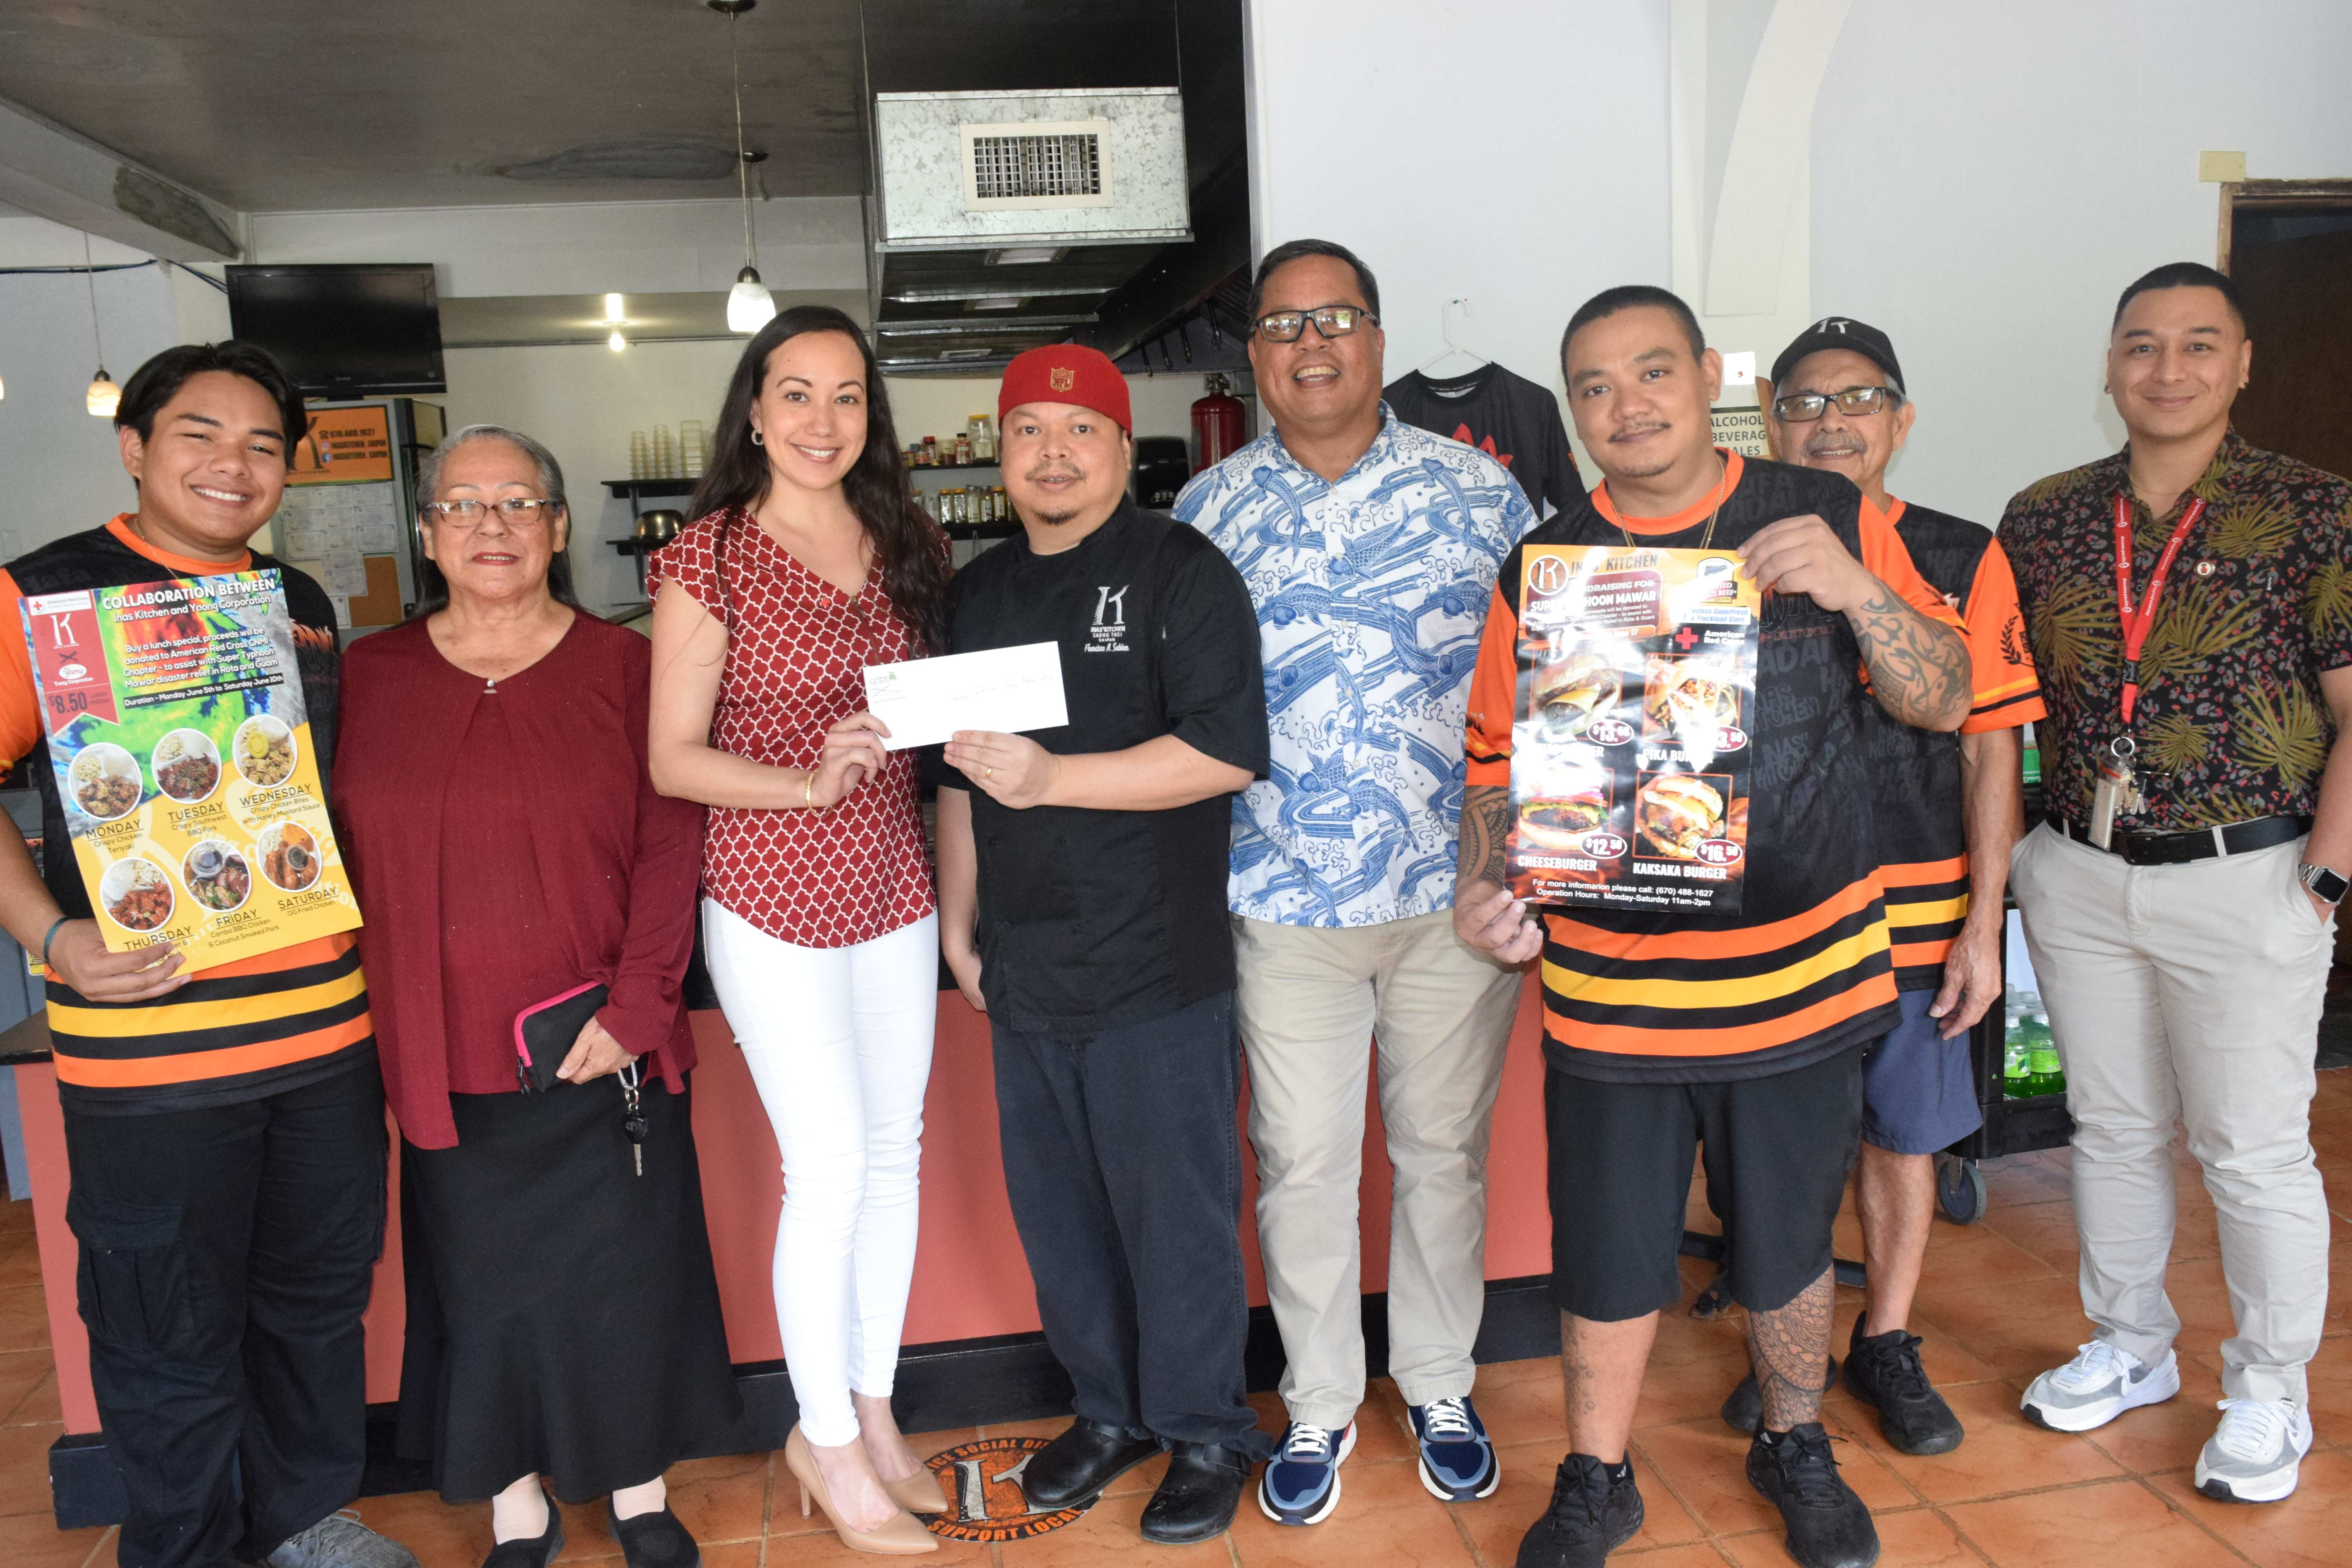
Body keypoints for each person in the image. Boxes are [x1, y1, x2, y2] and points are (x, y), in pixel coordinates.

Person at [1459, 286, 1973, 1568]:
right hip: (1610, 989)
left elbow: (1950, 700)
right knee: (1610, 1246)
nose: (1625, 407)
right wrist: (1490, 883)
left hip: (1802, 981)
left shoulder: (1830, 517)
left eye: (1651, 373)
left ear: (1706, 378)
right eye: (1592, 386)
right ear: (1571, 410)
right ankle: (1597, 1476)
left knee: (1791, 1245)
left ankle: (1794, 1442)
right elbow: (1491, 768)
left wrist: (1857, 590)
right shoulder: (1546, 567)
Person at [0, 343, 413, 1568]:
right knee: (163, 1330)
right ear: (134, 448)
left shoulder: (299, 604)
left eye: (264, 445)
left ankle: (300, 1527)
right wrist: (51, 935)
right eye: (199, 435)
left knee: (314, 1307)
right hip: (147, 1054)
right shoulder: (44, 598)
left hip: (324, 1039)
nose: (233, 465)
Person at [1172, 238, 1535, 1527]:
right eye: (1282, 326)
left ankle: (1439, 1380)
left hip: (1453, 899)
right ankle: (1321, 1401)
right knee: (1302, 1161)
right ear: (1255, 357)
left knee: (1442, 1153)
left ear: (1378, 339)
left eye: (1335, 319)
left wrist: (1528, 871)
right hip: (1279, 899)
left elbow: (1549, 688)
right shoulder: (1208, 516)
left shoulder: (1483, 495)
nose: (1310, 344)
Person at [335, 425, 739, 1568]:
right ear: (429, 537)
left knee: (624, 1280)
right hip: (441, 1050)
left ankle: (638, 1489)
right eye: (463, 505)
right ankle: (514, 1504)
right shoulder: (372, 674)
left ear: (560, 527)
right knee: (482, 1291)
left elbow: (675, 846)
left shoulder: (627, 667)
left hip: (602, 1038)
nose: (492, 525)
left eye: (519, 502)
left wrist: (640, 1004)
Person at [2000, 263, 2346, 1503]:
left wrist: (2327, 883)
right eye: (2141, 345)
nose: (2168, 369)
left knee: (2250, 1151)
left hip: (2246, 875)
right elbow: (2005, 705)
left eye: (2200, 346)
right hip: (2082, 875)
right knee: (2115, 1128)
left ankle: (2267, 1388)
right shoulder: (2042, 518)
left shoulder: (2316, 513)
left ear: (2243, 364)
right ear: (2108, 365)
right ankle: (2133, 1344)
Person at [933, 344, 1274, 1545]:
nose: (1053, 455)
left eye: (1080, 434)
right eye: (1028, 432)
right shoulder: (975, 593)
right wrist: (957, 929)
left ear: (1124, 452)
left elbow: (1226, 750)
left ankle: (1205, 1431)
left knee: (1174, 1216)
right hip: (1025, 969)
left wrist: (1055, 776)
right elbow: (962, 782)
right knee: (1062, 1217)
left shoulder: (1182, 569)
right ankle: (1109, 1411)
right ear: (1003, 453)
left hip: (1157, 965)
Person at [647, 306, 950, 1555]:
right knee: (826, 1171)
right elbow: (671, 761)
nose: (823, 421)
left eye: (847, 397)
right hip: (772, 892)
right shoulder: (707, 557)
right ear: (755, 412)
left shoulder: (904, 539)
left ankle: (875, 1412)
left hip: (894, 885)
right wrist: (802, 784)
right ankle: (820, 1437)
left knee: (896, 1158)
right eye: (796, 395)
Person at [1711, 318, 2044, 1454]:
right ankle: (1787, 1350)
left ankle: (1887, 1340)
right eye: (1804, 401)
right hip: (1777, 918)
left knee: (1904, 1140)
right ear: (1769, 420)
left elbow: (1990, 744)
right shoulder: (1724, 547)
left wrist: (1984, 929)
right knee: (1787, 1148)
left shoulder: (1958, 552)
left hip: (1917, 908)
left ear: (1902, 421)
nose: (1830, 421)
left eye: (1860, 399)